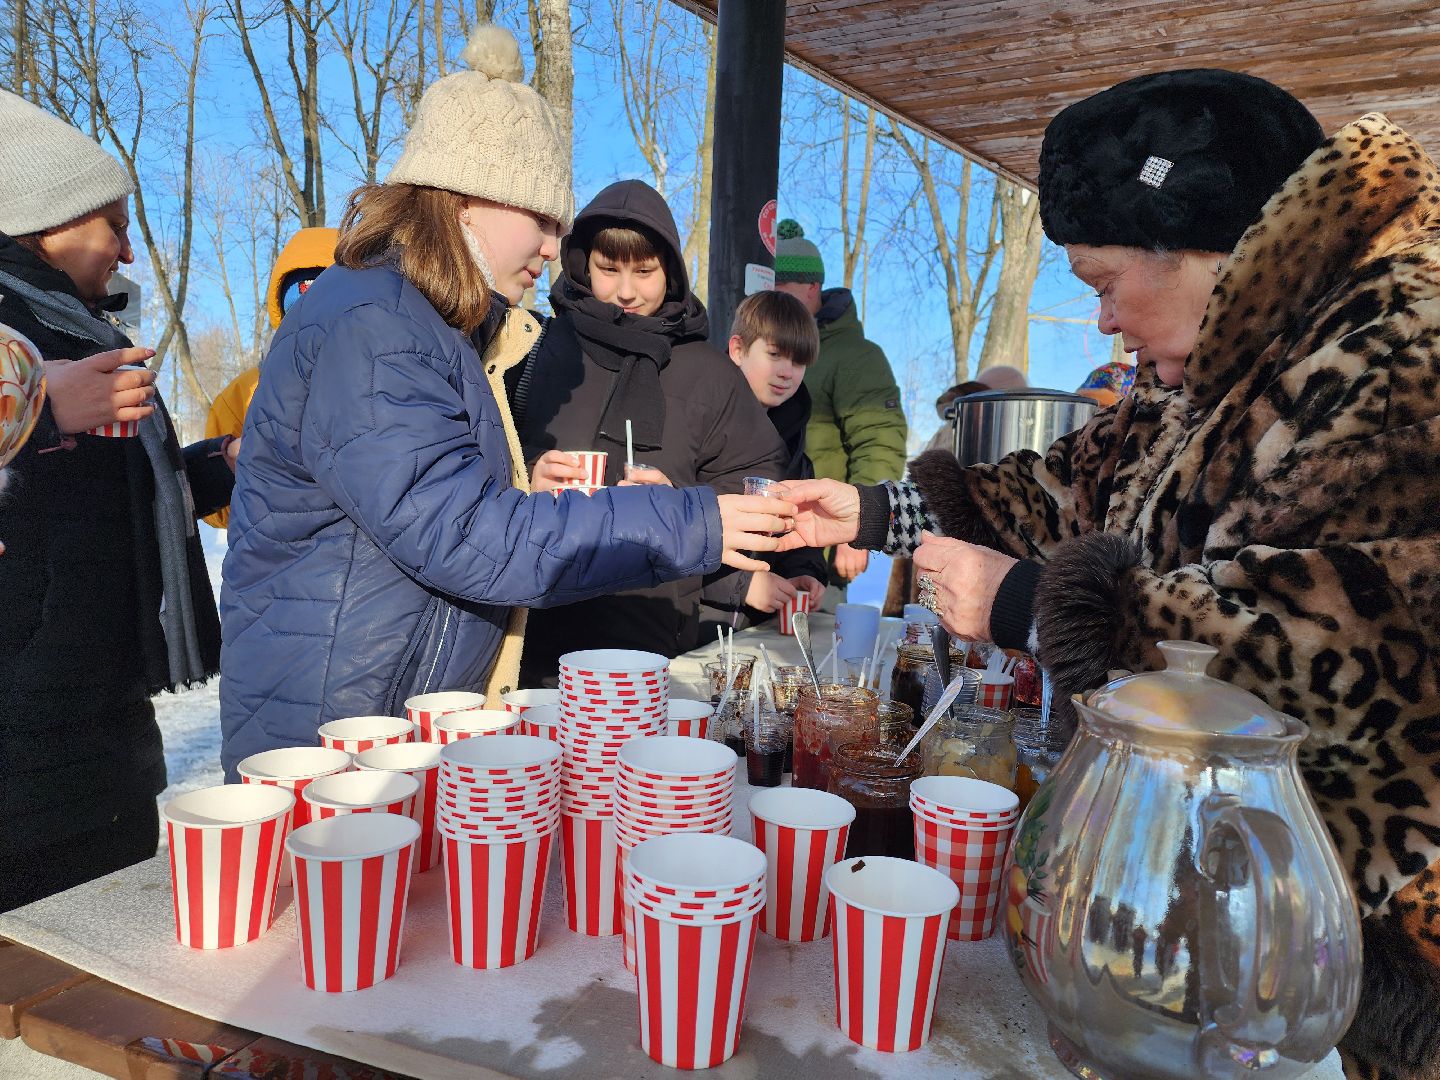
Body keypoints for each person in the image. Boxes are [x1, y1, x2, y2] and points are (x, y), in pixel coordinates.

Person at [775, 68, 1440, 1076]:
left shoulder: (1398, 342)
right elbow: (1061, 488)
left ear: (1202, 243)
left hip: (1370, 949)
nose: (1101, 322)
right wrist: (880, 511)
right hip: (1241, 929)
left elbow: (1368, 645)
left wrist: (1041, 611)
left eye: (1102, 283)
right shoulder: (1216, 377)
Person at [219, 26, 793, 776]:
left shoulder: (427, 324)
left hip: (383, 720)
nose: (556, 248)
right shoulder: (376, 325)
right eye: (543, 219)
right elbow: (468, 537)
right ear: (466, 200)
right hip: (337, 747)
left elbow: (429, 508)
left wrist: (530, 489)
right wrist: (689, 519)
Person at [0, 91, 238, 911]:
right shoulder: (19, 341)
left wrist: (225, 462)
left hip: (101, 724)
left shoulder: (83, 330)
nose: (129, 251)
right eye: (112, 224)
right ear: (49, 221)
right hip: (20, 753)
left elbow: (126, 496)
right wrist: (31, 408)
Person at [511, 179, 787, 683]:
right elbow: (471, 466)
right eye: (607, 270)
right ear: (581, 264)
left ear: (673, 271)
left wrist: (686, 508)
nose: (626, 291)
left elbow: (757, 482)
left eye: (644, 271)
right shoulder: (536, 349)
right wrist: (526, 473)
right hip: (534, 626)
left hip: (657, 634)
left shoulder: (707, 373)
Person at [774, 218, 905, 595]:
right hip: (775, 539)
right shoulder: (766, 352)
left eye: (783, 284)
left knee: (823, 649)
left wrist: (858, 530)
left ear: (812, 286)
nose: (774, 293)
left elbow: (878, 443)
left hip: (826, 548)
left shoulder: (856, 357)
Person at [698, 290, 827, 632]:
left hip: (754, 629)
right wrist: (739, 584)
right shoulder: (701, 423)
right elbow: (675, 530)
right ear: (738, 350)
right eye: (774, 355)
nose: (787, 372)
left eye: (798, 362)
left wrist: (804, 571)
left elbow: (799, 529)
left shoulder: (795, 446)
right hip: (690, 624)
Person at [202, 226, 338, 529]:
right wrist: (235, 468)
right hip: (276, 558)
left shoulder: (381, 379)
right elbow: (216, 513)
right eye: (298, 316)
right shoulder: (243, 394)